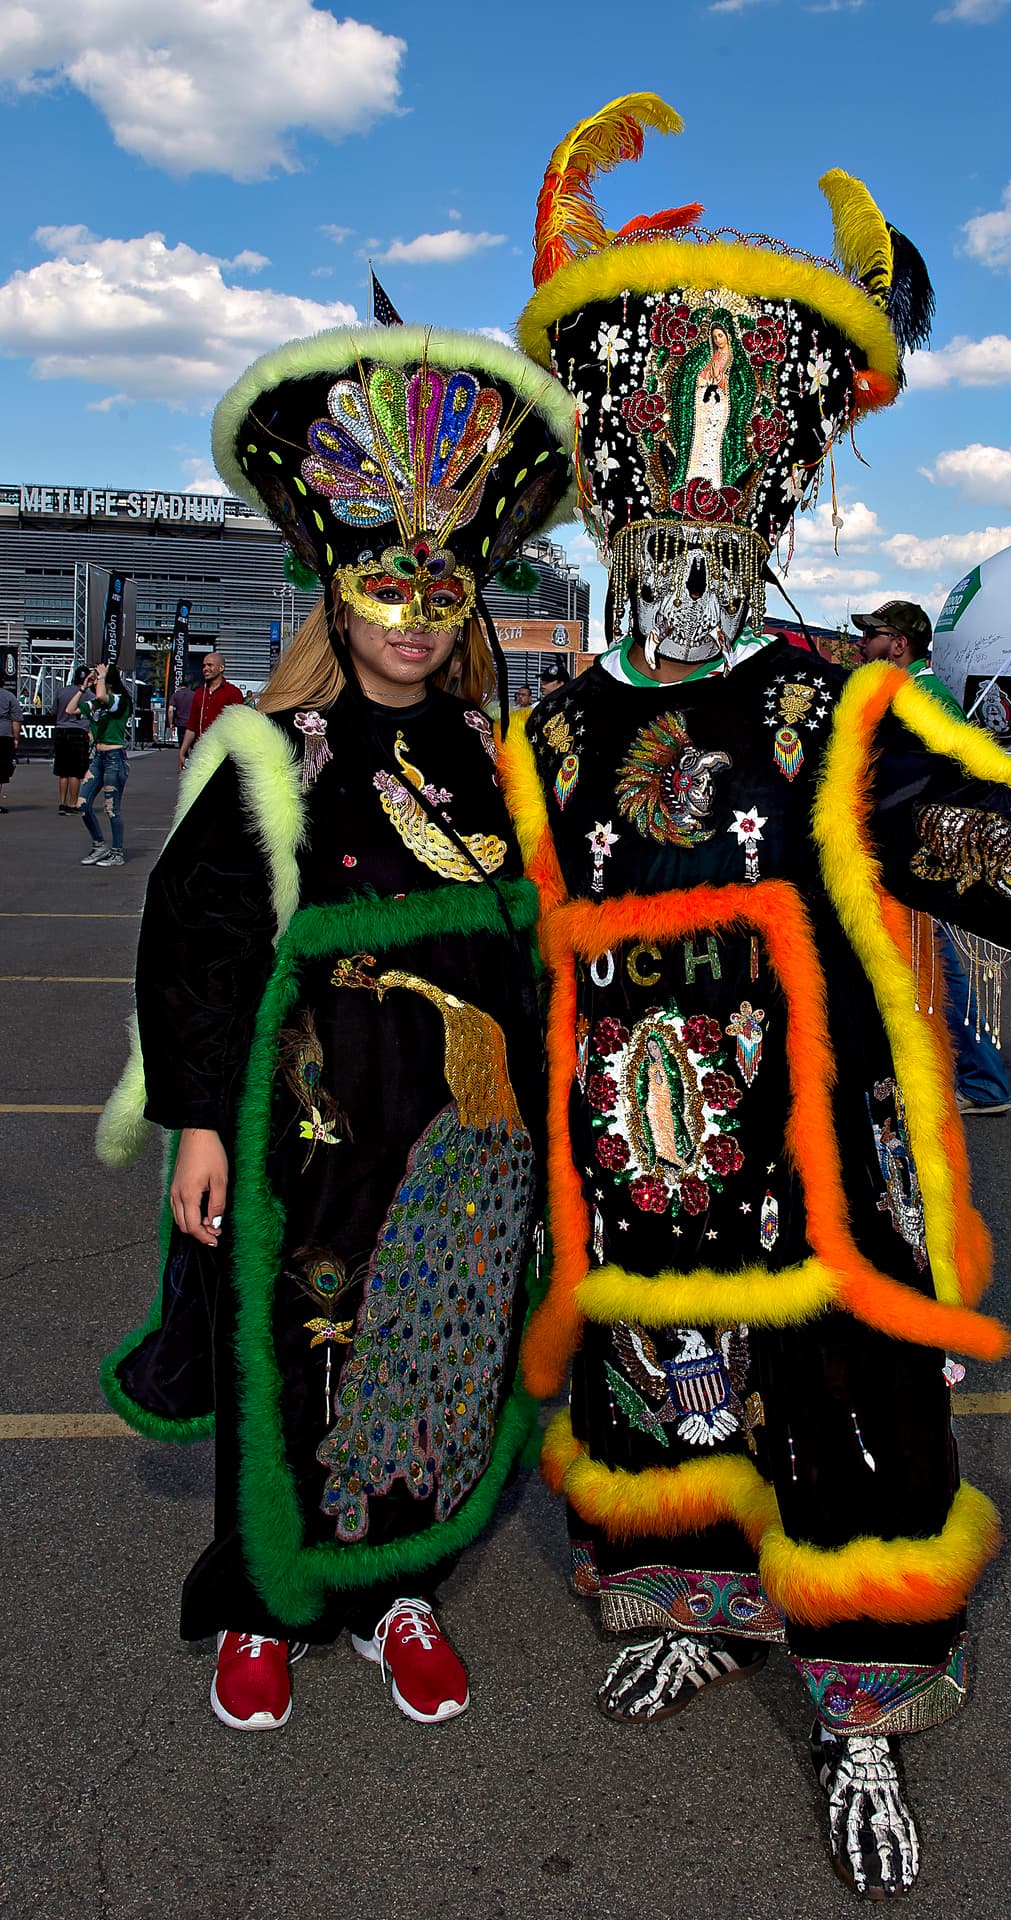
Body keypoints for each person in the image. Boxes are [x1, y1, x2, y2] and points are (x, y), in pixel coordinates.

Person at [507, 93, 1011, 1900]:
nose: (684, 572)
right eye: (657, 539)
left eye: (718, 542)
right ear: (614, 524)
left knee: (847, 1416)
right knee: (656, 1392)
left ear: (763, 534)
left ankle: (861, 1707)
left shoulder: (839, 706)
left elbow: (970, 831)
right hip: (634, 1152)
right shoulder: (557, 723)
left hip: (818, 1143)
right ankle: (693, 1598)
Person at [97, 324, 577, 1732]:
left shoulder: (495, 759)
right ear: (336, 595)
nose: (415, 617)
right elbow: (198, 952)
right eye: (386, 586)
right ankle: (264, 1601)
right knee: (291, 1353)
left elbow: (535, 949)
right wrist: (195, 1121)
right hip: (302, 1135)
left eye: (441, 589)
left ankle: (394, 1592)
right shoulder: (270, 750)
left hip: (464, 1150)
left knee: (438, 1359)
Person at [853, 602, 1011, 1116]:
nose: (861, 645)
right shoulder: (911, 693)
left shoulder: (921, 698)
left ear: (899, 644)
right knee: (917, 961)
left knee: (935, 963)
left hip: (916, 855)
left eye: (872, 636)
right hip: (905, 853)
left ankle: (983, 1082)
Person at [79, 662, 133, 866]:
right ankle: (99, 845)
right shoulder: (98, 703)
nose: (95, 679)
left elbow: (103, 696)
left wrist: (101, 676)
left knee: (111, 807)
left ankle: (117, 852)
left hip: (114, 758)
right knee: (82, 804)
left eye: (99, 676)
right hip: (99, 758)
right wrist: (83, 687)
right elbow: (72, 709)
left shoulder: (119, 700)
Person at [178, 652, 243, 768]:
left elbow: (238, 727)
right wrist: (182, 751)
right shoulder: (199, 693)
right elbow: (191, 726)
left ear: (221, 668)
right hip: (200, 753)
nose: (205, 669)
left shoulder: (233, 693)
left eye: (210, 665)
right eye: (204, 666)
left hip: (222, 755)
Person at [53, 666, 93, 813]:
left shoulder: (62, 691)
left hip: (61, 730)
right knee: (75, 772)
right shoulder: (89, 695)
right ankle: (73, 804)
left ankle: (62, 803)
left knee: (62, 771)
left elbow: (54, 711)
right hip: (79, 732)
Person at [0, 680, 20, 813]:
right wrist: (16, 738)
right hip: (4, 735)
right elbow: (16, 720)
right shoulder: (9, 696)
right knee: (0, 772)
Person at [169, 675, 197, 749]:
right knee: (193, 745)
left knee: (182, 745)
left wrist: (171, 723)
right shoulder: (194, 694)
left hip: (180, 722)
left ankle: (184, 758)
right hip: (192, 723)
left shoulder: (175, 695)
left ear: (179, 687)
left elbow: (170, 710)